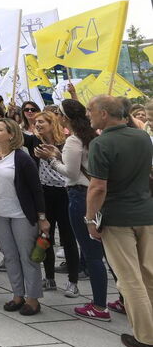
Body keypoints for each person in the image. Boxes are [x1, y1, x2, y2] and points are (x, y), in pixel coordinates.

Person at [85, 96, 153, 347]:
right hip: (146, 213)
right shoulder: (142, 137)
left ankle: (146, 337)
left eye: (91, 111)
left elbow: (98, 187)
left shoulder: (101, 143)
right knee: (149, 275)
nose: (89, 115)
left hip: (118, 217)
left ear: (104, 114)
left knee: (129, 279)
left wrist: (90, 219)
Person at [50, 99, 111, 320]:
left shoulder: (73, 141)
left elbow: (71, 173)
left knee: (91, 252)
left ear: (65, 118)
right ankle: (120, 300)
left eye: (58, 114)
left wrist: (52, 160)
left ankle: (99, 305)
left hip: (80, 196)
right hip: (99, 195)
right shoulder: (95, 138)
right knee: (107, 253)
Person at [0, 118, 49, 316]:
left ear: (11, 134)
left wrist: (42, 217)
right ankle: (17, 294)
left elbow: (36, 190)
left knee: (27, 256)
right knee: (10, 256)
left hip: (21, 214)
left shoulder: (22, 158)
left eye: (0, 130)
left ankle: (33, 298)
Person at [26, 110, 80, 297]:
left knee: (68, 237)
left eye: (42, 122)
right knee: (45, 235)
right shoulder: (35, 141)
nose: (38, 124)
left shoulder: (65, 143)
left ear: (52, 123)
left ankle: (73, 281)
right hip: (44, 192)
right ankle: (49, 278)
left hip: (64, 193)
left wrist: (54, 156)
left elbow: (71, 168)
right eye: (36, 122)